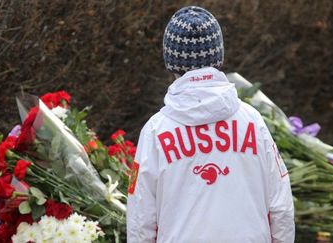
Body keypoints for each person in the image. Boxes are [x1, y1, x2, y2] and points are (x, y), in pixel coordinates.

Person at [126, 6, 295, 243]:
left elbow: (140, 219)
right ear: (217, 56)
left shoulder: (156, 131)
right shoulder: (253, 122)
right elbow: (281, 206)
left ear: (171, 61)